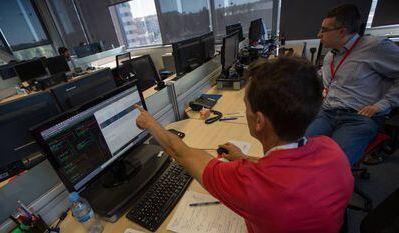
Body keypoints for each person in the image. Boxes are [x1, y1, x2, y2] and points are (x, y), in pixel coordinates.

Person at [135, 57, 353, 233]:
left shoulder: (253, 183)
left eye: (245, 104)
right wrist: (245, 158)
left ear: (259, 121)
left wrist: (151, 124)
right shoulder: (331, 149)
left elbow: (181, 153)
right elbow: (291, 172)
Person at [305, 4, 399, 165]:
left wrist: (382, 104)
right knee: (296, 147)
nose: (319, 34)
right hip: (327, 113)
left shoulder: (376, 47)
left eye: (324, 30)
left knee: (333, 163)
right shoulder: (330, 56)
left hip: (357, 117)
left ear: (342, 31)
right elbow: (325, 79)